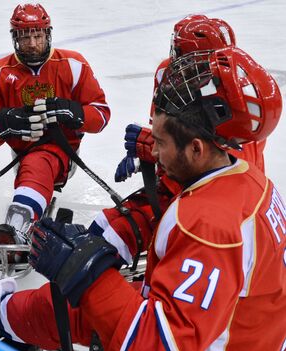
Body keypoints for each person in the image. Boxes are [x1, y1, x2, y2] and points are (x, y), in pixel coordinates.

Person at [0, 47, 285, 351]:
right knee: (85, 303)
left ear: (196, 149)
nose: (153, 154)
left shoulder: (208, 226)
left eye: (160, 144)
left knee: (89, 297)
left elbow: (158, 350)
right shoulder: (248, 181)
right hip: (238, 336)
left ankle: (4, 316)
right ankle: (5, 314)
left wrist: (87, 272)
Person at [92, 15, 271, 269]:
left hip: (217, 210)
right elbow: (168, 131)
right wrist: (150, 150)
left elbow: (221, 172)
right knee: (99, 237)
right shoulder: (168, 73)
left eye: (182, 56)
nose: (177, 66)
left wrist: (147, 146)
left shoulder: (237, 102)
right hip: (176, 184)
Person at [0, 3, 111, 278]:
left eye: (37, 35)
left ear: (48, 34)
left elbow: (101, 114)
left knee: (39, 162)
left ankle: (17, 227)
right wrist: (4, 122)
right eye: (25, 36)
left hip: (62, 151)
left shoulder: (73, 65)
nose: (32, 43)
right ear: (15, 37)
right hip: (20, 153)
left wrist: (73, 112)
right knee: (32, 163)